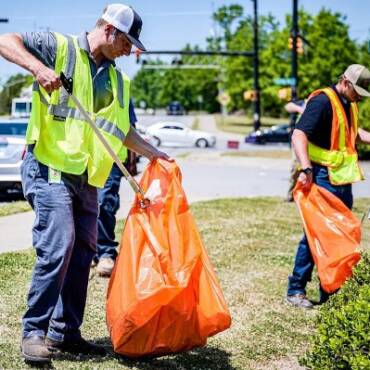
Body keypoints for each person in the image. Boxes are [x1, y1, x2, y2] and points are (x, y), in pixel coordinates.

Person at [0, 3, 169, 363]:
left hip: (87, 177)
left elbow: (121, 131)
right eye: (127, 41)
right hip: (48, 168)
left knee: (83, 253)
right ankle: (34, 331)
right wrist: (38, 67)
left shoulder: (118, 80)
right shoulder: (58, 47)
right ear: (109, 30)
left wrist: (157, 154)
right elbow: (4, 40)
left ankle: (66, 334)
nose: (130, 50)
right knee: (59, 245)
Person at [286, 64, 370, 309]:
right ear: (345, 81)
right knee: (317, 235)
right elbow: (298, 135)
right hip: (321, 178)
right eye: (356, 92)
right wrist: (306, 168)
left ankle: (330, 291)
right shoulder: (323, 101)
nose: (358, 98)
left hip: (342, 181)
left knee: (340, 235)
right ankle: (296, 289)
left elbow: (352, 134)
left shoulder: (349, 104)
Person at [94, 99, 138, 277]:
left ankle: (105, 252)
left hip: (112, 158)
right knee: (81, 204)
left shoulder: (120, 84)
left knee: (105, 201)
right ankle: (88, 249)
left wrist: (132, 158)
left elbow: (129, 125)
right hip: (84, 155)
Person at [284, 99, 306, 202]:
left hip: (314, 142)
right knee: (296, 167)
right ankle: (291, 195)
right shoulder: (304, 102)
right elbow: (288, 106)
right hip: (298, 141)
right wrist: (300, 109)